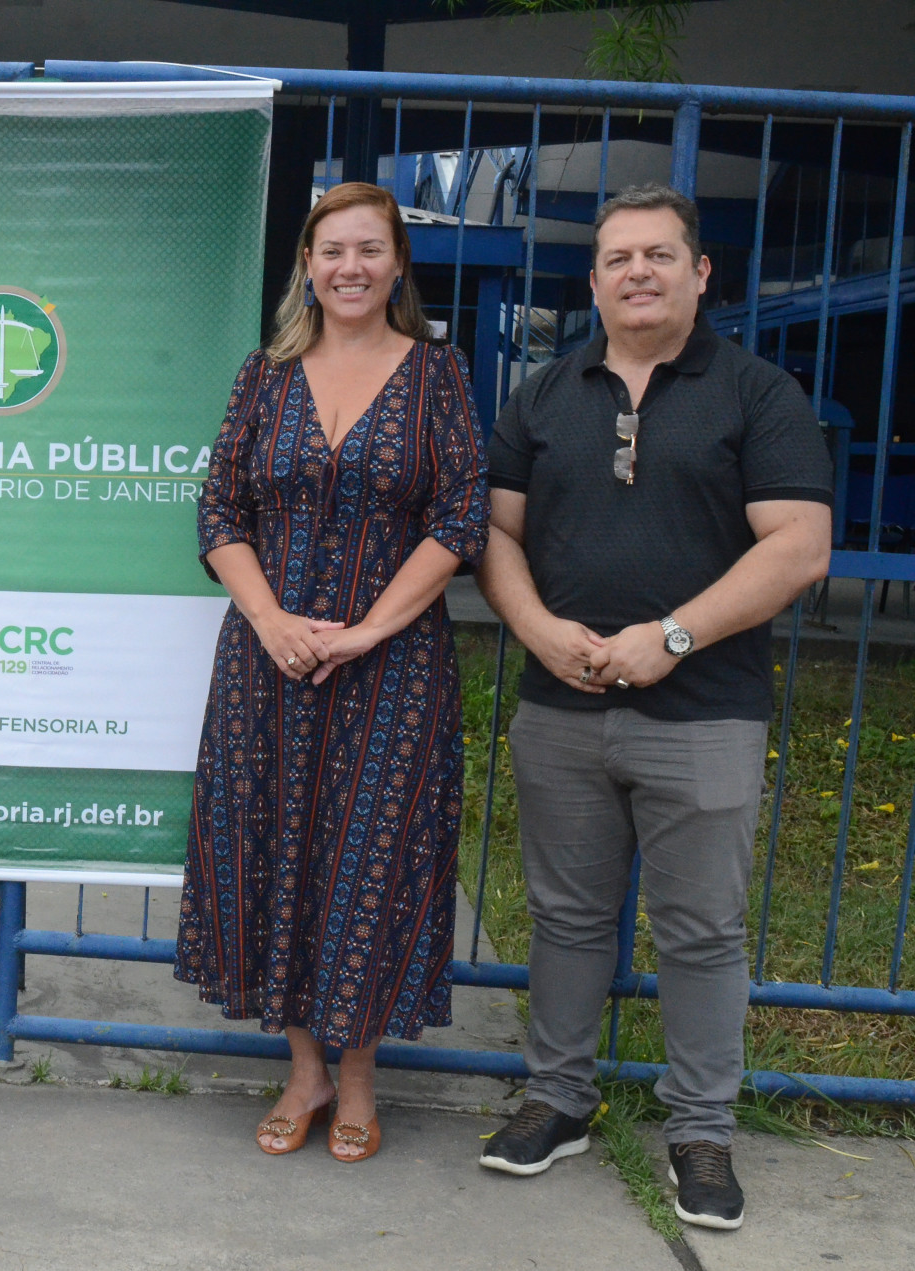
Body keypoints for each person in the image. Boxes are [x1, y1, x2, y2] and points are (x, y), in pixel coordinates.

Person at [475, 184, 831, 1231]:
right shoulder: (542, 394)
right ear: (593, 281)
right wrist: (538, 628)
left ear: (699, 273)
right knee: (568, 917)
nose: (638, 271)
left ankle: (701, 1131)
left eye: (659, 255)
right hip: (561, 702)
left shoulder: (758, 395)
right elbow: (495, 533)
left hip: (707, 710)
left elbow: (800, 547)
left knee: (703, 929)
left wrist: (671, 637)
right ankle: (556, 1097)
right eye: (619, 257)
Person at [176, 181, 488, 1163]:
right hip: (268, 664)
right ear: (306, 266)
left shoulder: (437, 371)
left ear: (397, 264)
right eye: (331, 250)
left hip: (392, 668)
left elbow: (461, 515)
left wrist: (367, 630)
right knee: (274, 850)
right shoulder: (262, 376)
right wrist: (270, 620)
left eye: (369, 249)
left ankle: (358, 1079)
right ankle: (303, 1068)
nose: (349, 266)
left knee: (373, 863)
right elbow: (219, 508)